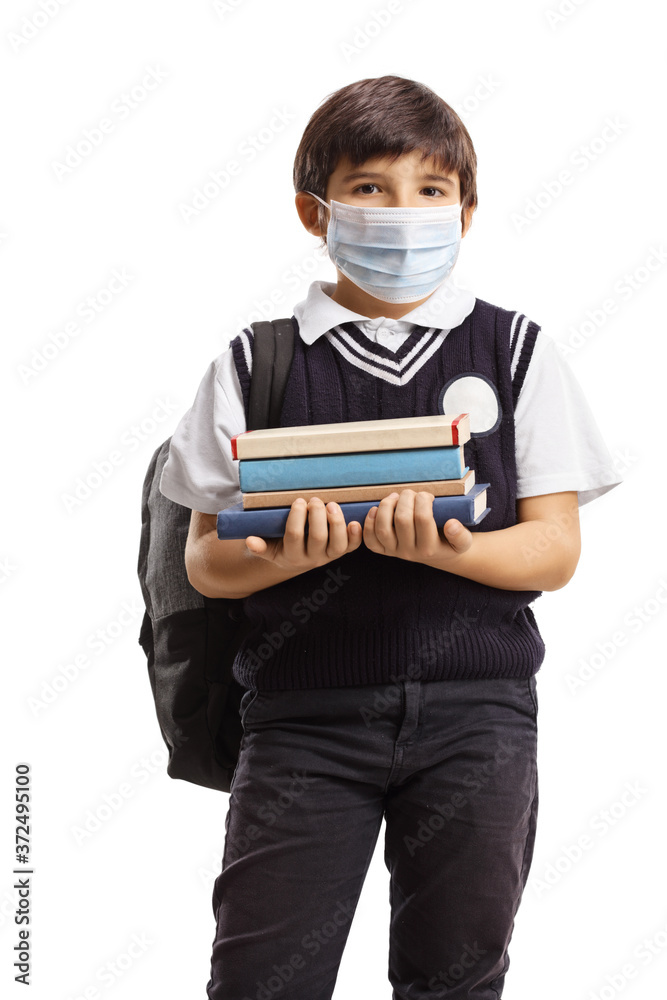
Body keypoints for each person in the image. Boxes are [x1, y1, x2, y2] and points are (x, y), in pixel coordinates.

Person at [159, 75, 622, 1000]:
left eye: (431, 190)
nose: (403, 212)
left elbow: (554, 549)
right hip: (301, 719)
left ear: (465, 210)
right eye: (370, 188)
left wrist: (444, 549)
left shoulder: (514, 350)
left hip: (477, 715)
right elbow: (203, 559)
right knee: (259, 977)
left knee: (454, 976)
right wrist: (285, 557)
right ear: (314, 209)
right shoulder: (255, 362)